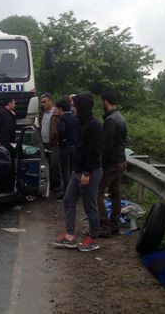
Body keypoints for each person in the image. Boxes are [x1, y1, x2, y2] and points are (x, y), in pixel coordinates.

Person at [51, 93, 103, 252]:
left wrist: (87, 173)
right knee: (68, 200)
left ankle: (93, 238)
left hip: (90, 171)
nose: (71, 108)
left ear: (82, 107)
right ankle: (70, 236)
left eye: (74, 106)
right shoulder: (81, 122)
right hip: (77, 171)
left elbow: (94, 151)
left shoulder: (94, 125)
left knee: (90, 206)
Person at [97, 91, 127, 238]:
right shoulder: (121, 117)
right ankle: (115, 225)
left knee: (98, 192)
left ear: (106, 102)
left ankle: (104, 226)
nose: (101, 104)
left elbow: (106, 145)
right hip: (121, 160)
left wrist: (101, 165)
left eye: (102, 102)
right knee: (115, 192)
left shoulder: (110, 120)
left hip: (112, 162)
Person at [38, 92, 63, 198]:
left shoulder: (57, 113)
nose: (42, 104)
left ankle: (58, 187)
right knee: (47, 165)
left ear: (50, 101)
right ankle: (51, 184)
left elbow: (60, 128)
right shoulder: (43, 113)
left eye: (44, 102)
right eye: (41, 102)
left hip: (53, 144)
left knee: (55, 165)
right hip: (44, 143)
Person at [56, 96, 79, 200]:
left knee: (65, 171)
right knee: (74, 170)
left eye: (57, 108)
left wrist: (61, 141)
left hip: (65, 148)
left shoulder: (63, 119)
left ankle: (67, 193)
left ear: (61, 108)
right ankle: (76, 192)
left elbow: (62, 131)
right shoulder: (75, 118)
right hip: (75, 147)